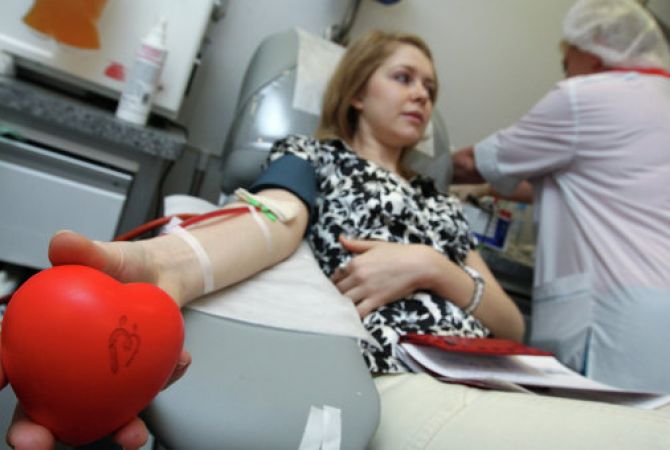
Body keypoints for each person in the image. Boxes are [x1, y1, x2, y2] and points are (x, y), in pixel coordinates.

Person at [4, 28, 670, 450]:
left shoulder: (438, 201)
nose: (422, 96)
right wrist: (166, 267)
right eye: (403, 78)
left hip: (506, 369)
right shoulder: (313, 157)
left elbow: (510, 320)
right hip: (411, 373)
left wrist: (433, 266)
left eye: (431, 88)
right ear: (356, 93)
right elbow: (273, 218)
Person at [452, 0, 670, 393]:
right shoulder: (659, 99)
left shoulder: (585, 97)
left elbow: (473, 164)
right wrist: (489, 187)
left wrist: (419, 164)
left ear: (594, 52)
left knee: (591, 419)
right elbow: (592, 188)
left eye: (567, 62)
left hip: (615, 316)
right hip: (658, 317)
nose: (566, 74)